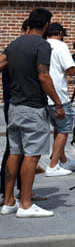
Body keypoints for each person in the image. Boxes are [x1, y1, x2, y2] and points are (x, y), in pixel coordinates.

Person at [0, 8, 64, 218]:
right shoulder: (42, 45)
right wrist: (57, 103)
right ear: (46, 25)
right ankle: (26, 204)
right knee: (31, 155)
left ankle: (9, 201)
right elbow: (44, 77)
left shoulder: (14, 44)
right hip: (33, 107)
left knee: (14, 152)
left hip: (14, 107)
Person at [45, 23, 75, 175]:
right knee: (64, 129)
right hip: (59, 98)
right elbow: (70, 70)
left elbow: (55, 74)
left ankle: (62, 160)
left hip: (45, 95)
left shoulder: (42, 45)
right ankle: (53, 165)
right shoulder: (60, 46)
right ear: (61, 33)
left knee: (58, 127)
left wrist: (74, 81)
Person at [1, 20, 29, 199]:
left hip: (19, 102)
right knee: (14, 148)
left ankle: (17, 190)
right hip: (15, 102)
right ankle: (7, 191)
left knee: (20, 149)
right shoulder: (13, 51)